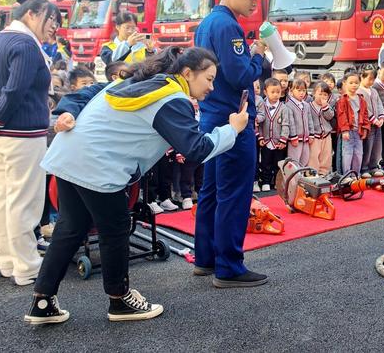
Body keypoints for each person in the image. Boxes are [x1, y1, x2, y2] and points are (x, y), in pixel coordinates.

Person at [24, 46, 248, 324]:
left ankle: (43, 302)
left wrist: (66, 111)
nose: (212, 87)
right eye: (209, 78)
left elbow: (85, 93)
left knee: (69, 229)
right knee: (115, 231)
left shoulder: (139, 81)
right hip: (99, 166)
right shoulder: (171, 98)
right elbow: (197, 149)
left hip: (69, 156)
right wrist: (233, 129)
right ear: (187, 73)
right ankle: (120, 301)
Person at [193, 0, 269, 287]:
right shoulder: (228, 26)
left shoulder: (208, 23)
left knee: (211, 191)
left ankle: (206, 258)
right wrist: (259, 57)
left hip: (212, 117)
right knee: (234, 193)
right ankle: (229, 266)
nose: (255, 1)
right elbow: (240, 76)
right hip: (233, 120)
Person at [0, 0, 61, 286]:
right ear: (33, 14)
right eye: (52, 20)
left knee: (5, 199)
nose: (55, 28)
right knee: (24, 201)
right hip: (22, 133)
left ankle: (8, 259)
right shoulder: (25, 45)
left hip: (7, 134)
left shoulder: (3, 39)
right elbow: (14, 92)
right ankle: (26, 265)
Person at [256, 78, 289, 191]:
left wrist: (283, 139)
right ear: (265, 92)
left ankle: (276, 181)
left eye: (278, 92)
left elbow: (286, 124)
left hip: (278, 141)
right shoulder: (262, 106)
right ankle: (265, 181)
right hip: (266, 141)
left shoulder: (284, 108)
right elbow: (259, 124)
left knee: (278, 163)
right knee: (265, 162)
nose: (276, 95)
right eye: (272, 92)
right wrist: (260, 137)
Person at [336, 72, 370, 176]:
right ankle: (346, 175)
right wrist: (345, 130)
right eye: (351, 83)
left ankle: (356, 174)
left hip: (358, 131)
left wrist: (365, 128)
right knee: (347, 153)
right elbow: (341, 116)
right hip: (348, 131)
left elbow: (365, 114)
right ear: (345, 83)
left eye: (356, 83)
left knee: (358, 153)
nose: (354, 85)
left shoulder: (361, 99)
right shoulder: (343, 100)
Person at [358, 68, 384, 178]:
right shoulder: (359, 92)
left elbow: (379, 104)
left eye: (373, 79)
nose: (371, 82)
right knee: (367, 146)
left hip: (377, 124)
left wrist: (381, 117)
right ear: (362, 77)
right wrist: (373, 119)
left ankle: (374, 166)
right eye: (369, 79)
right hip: (367, 125)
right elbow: (363, 109)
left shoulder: (374, 91)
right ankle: (364, 168)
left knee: (377, 146)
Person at [308, 81, 335, 176]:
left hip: (326, 135)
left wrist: (325, 107)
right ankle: (312, 173)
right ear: (314, 93)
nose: (322, 97)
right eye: (320, 94)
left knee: (326, 156)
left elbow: (330, 116)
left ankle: (324, 173)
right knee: (313, 156)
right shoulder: (309, 106)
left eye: (325, 95)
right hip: (315, 136)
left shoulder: (327, 106)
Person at [286, 79, 314, 166]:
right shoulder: (288, 105)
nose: (301, 93)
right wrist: (293, 137)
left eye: (304, 90)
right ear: (291, 91)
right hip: (295, 139)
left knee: (305, 159)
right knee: (294, 161)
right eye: (298, 90)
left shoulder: (306, 105)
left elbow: (310, 120)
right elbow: (291, 122)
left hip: (305, 139)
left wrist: (311, 134)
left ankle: (300, 178)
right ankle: (292, 179)